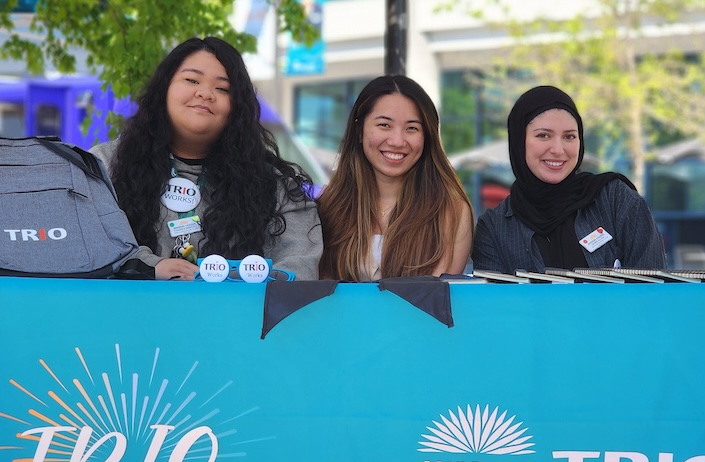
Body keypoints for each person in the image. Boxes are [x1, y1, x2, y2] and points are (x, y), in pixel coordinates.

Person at [91, 37, 322, 281]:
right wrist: (147, 266)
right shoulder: (103, 165)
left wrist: (235, 280)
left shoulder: (273, 185)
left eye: (222, 88)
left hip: (233, 316)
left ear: (237, 108)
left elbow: (300, 265)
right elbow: (84, 244)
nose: (205, 93)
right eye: (191, 80)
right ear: (164, 89)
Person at [471, 85, 666, 274]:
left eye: (569, 137)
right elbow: (495, 305)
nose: (558, 149)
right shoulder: (495, 228)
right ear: (518, 141)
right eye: (543, 135)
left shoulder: (615, 200)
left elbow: (652, 292)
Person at [317, 75, 474, 281]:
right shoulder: (328, 207)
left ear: (427, 138)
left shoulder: (451, 213)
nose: (397, 141)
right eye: (384, 125)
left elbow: (434, 302)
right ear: (360, 131)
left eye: (412, 128)